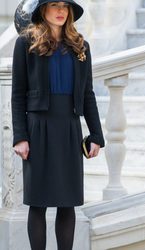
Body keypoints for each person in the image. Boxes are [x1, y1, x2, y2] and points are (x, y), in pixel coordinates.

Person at [11, 1, 104, 249]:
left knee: (67, 201)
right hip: (37, 128)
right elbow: (18, 94)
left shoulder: (80, 46)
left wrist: (96, 134)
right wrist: (20, 136)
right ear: (43, 9)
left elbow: (87, 93)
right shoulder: (25, 43)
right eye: (54, 4)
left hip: (69, 129)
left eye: (64, 5)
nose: (60, 10)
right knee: (38, 202)